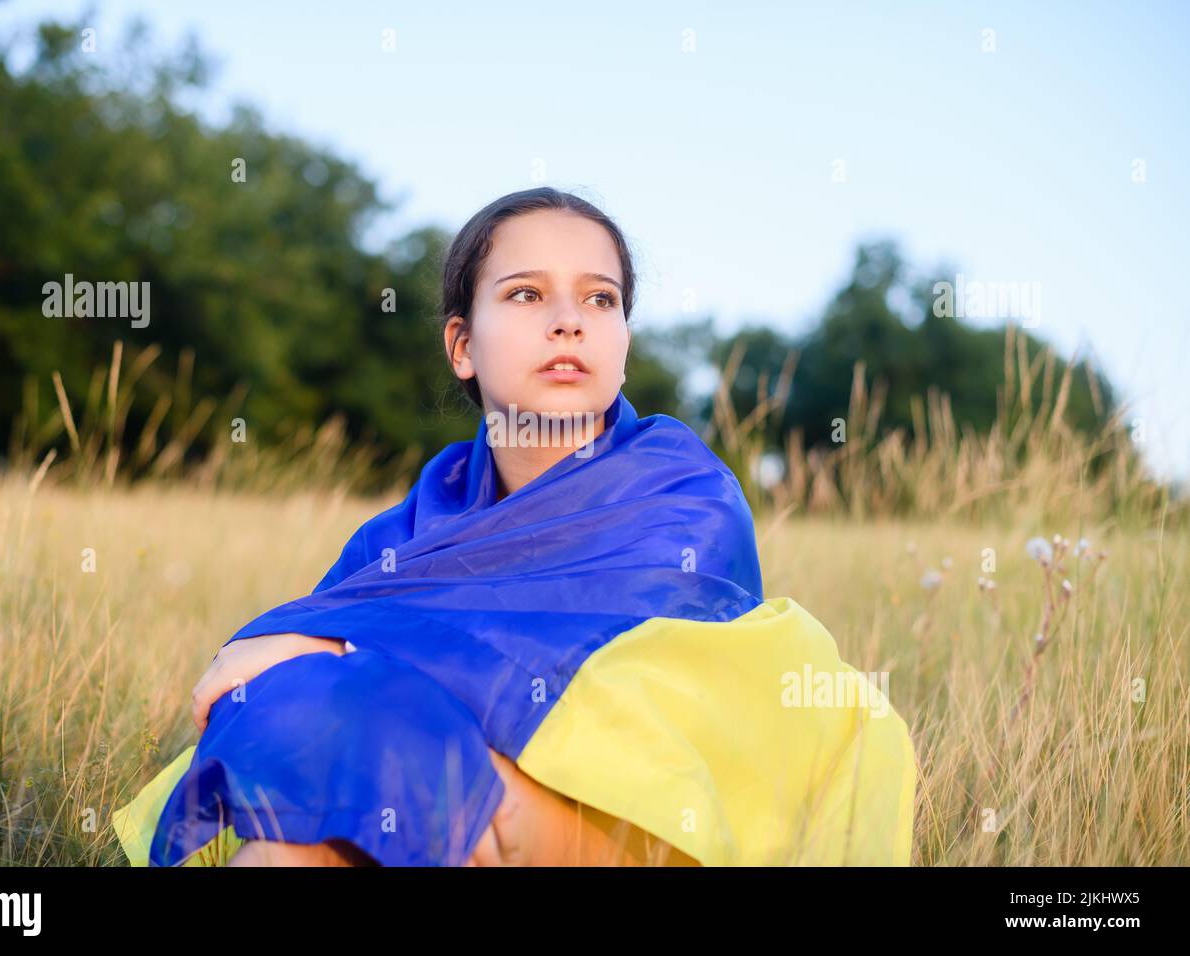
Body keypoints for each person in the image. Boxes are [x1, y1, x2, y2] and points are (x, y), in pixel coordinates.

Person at [112, 188, 916, 868]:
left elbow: (601, 669)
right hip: (431, 806)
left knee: (415, 766)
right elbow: (290, 707)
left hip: (630, 828)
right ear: (462, 345)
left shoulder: (682, 492)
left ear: (623, 348)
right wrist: (330, 664)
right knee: (294, 839)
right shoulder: (405, 534)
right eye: (527, 294)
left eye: (600, 299)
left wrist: (331, 644)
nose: (569, 321)